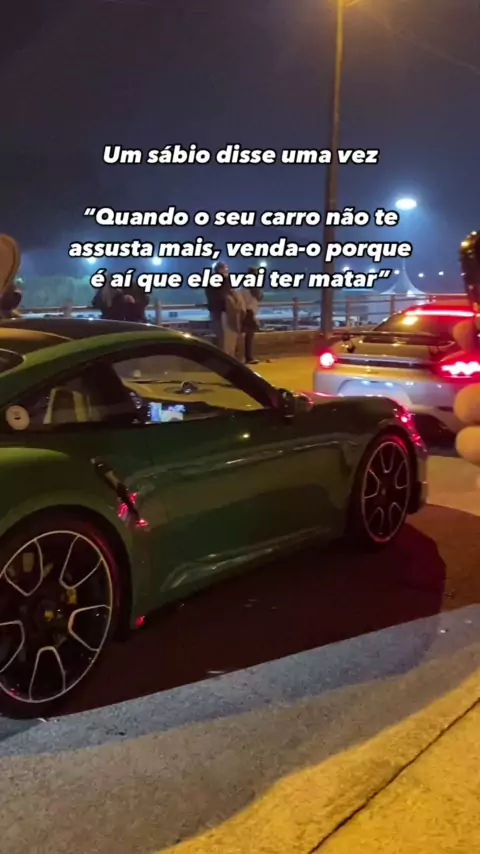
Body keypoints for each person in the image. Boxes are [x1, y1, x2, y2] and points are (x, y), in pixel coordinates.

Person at [206, 261, 230, 348]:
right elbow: (227, 293)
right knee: (224, 334)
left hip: (213, 309)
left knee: (216, 332)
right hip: (223, 310)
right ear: (220, 269)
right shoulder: (224, 280)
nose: (227, 270)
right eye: (225, 268)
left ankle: (217, 350)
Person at [242, 268, 263, 364]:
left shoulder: (244, 286)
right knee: (249, 335)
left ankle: (247, 357)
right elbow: (259, 296)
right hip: (249, 311)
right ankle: (248, 357)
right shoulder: (252, 286)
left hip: (247, 310)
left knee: (247, 335)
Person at [223, 286, 246, 359]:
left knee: (229, 343)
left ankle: (230, 358)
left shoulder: (228, 297)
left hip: (229, 320)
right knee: (232, 343)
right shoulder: (236, 295)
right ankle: (232, 358)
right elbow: (242, 310)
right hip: (234, 320)